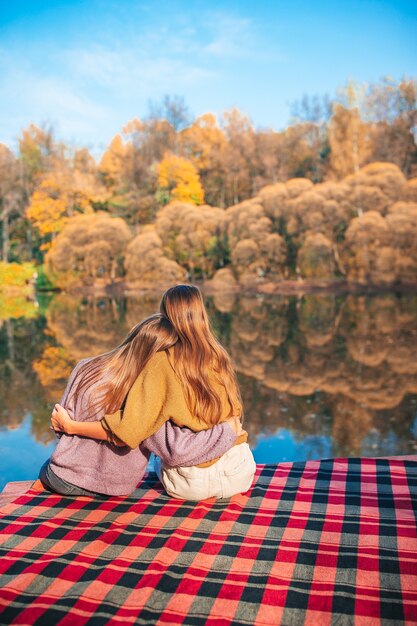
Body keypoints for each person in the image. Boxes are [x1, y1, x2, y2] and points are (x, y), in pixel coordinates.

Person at [51, 285, 256, 500]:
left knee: (153, 424)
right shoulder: (218, 356)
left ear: (165, 315)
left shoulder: (160, 363)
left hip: (191, 482)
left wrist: (70, 426)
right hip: (240, 470)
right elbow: (234, 414)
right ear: (202, 313)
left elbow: (126, 432)